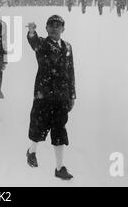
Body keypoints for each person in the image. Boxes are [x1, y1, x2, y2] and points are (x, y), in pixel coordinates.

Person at [26, 15, 76, 180]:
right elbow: (33, 41)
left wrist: (72, 95)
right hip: (44, 94)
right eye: (51, 25)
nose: (55, 28)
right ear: (46, 28)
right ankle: (32, 152)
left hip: (61, 96)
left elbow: (71, 72)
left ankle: (60, 167)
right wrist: (32, 32)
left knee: (59, 130)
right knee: (38, 125)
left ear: (63, 28)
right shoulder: (42, 44)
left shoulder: (68, 47)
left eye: (58, 25)